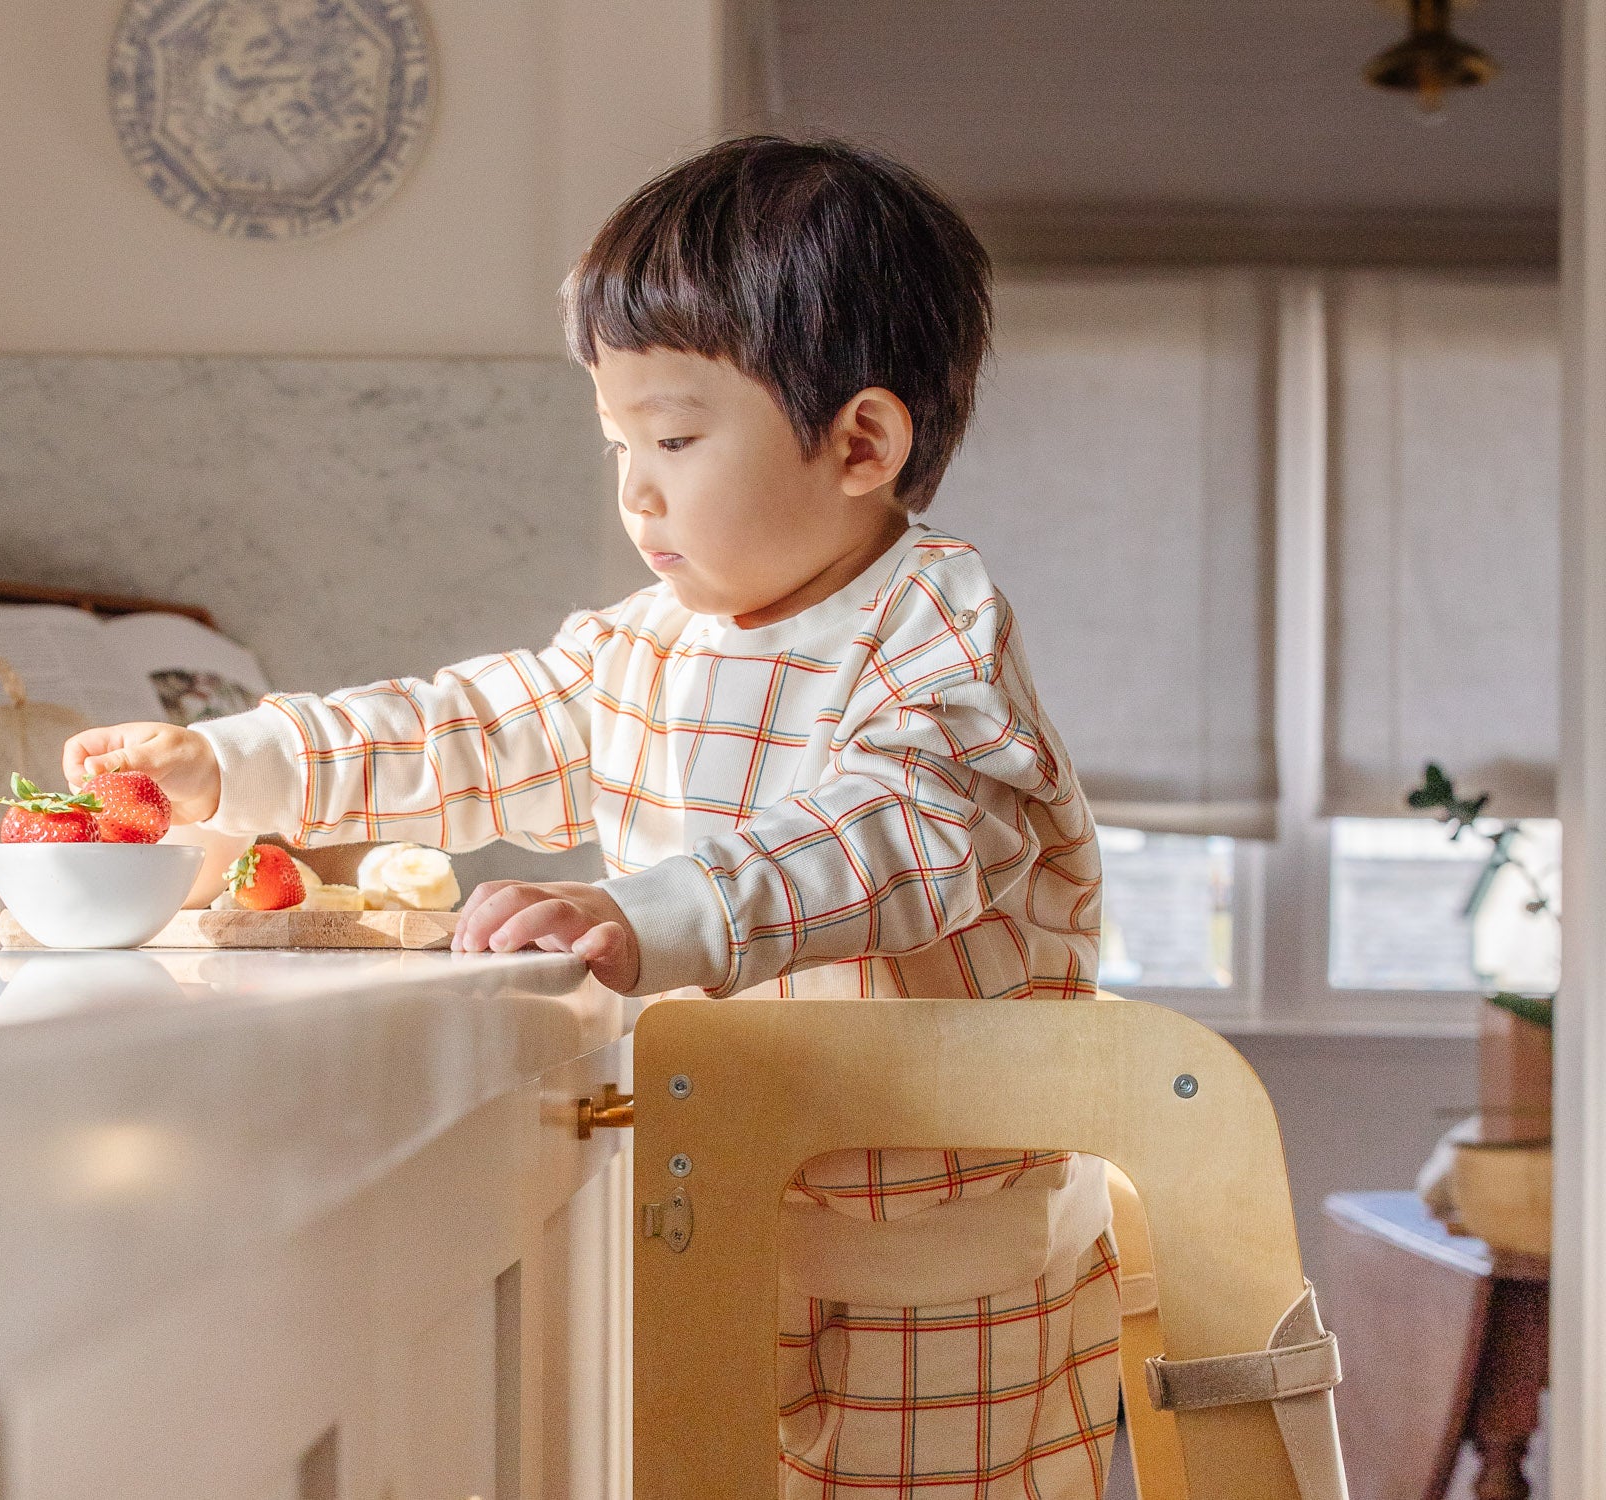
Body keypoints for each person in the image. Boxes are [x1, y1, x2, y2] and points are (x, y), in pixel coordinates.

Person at [63, 135, 1120, 1498]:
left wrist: (648, 912)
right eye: (618, 441)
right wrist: (238, 764)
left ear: (861, 441)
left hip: (946, 1279)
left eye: (675, 438)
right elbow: (462, 728)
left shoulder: (937, 635)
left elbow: (896, 830)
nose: (633, 488)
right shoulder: (645, 647)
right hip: (726, 1228)